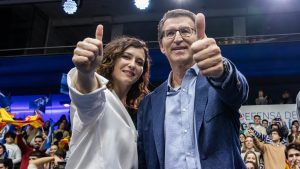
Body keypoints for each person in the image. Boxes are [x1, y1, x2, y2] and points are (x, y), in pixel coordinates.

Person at [137, 9, 249, 169]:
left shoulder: (218, 82)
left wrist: (222, 70)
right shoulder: (148, 104)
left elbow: (239, 91)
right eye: (169, 33)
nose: (177, 38)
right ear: (162, 46)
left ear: (197, 38)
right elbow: (145, 160)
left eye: (185, 31)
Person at [65, 24, 150, 169]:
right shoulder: (100, 96)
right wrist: (86, 73)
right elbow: (87, 97)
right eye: (126, 57)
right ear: (112, 59)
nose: (132, 64)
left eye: (139, 62)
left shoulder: (133, 112)